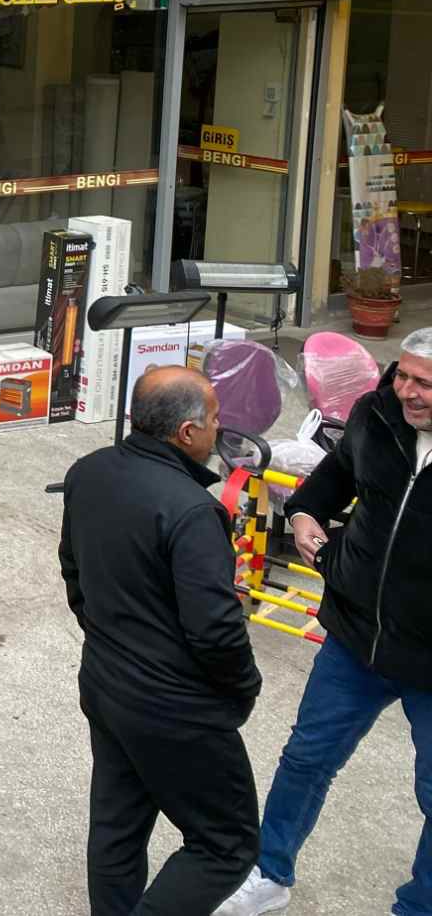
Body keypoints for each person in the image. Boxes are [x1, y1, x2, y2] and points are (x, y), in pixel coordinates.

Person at [217, 327, 432, 916]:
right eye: (403, 375)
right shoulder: (377, 413)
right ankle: (268, 873)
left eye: (424, 383)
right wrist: (307, 512)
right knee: (307, 759)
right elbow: (337, 473)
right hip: (355, 635)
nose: (406, 392)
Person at [61, 365, 263, 914]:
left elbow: (74, 571)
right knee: (226, 845)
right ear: (187, 432)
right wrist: (243, 688)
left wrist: (109, 639)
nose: (220, 428)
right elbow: (216, 630)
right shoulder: (193, 510)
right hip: (174, 709)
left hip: (105, 684)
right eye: (215, 418)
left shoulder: (89, 471)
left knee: (117, 826)